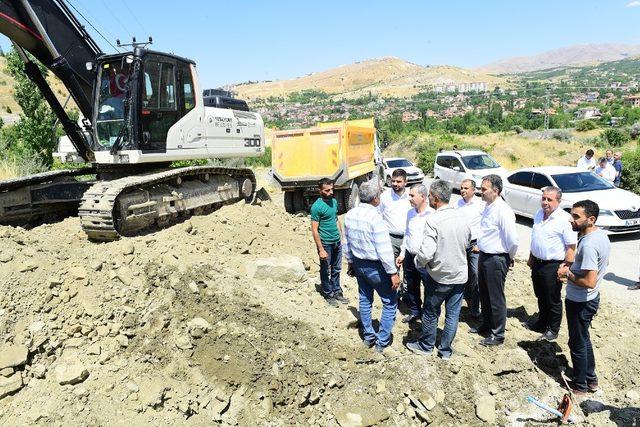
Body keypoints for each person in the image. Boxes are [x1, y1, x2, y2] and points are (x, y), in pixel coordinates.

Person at [405, 180, 471, 359]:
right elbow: (467, 242)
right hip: (459, 275)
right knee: (452, 315)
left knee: (430, 312)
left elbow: (426, 252)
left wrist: (419, 262)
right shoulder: (462, 217)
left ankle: (426, 345)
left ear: (434, 198)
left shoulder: (433, 220)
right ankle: (445, 350)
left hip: (440, 276)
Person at [557, 200, 610, 395]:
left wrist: (567, 274)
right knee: (584, 338)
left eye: (576, 217)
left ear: (591, 219)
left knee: (577, 342)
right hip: (589, 299)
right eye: (572, 215)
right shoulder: (600, 236)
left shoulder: (588, 245)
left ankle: (580, 385)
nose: (571, 220)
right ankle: (591, 378)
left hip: (581, 301)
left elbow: (589, 281)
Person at [343, 180, 401, 353]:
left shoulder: (350, 214)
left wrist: (351, 262)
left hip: (359, 264)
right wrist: (393, 273)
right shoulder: (376, 218)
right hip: (376, 266)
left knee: (365, 299)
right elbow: (383, 250)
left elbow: (346, 242)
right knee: (390, 302)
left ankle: (369, 336)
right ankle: (382, 342)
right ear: (375, 198)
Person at [471, 175, 519, 347]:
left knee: (495, 297)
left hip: (496, 258)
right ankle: (486, 324)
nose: (480, 192)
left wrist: (509, 258)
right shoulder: (487, 206)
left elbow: (512, 240)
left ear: (496, 191)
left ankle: (497, 334)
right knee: (483, 293)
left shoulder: (503, 210)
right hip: (484, 256)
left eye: (484, 189)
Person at [526, 186, 577, 341]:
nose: (545, 202)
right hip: (538, 263)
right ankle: (542, 322)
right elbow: (535, 238)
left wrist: (566, 265)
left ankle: (552, 329)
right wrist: (531, 257)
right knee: (540, 294)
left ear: (558, 201)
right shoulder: (538, 214)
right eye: (544, 198)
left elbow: (571, 246)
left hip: (553, 265)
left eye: (549, 199)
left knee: (552, 298)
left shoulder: (564, 219)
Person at [395, 184, 433, 323]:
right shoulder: (410, 213)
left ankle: (428, 315)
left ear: (422, 197)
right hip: (410, 256)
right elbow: (407, 234)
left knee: (428, 287)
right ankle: (415, 311)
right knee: (411, 285)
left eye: (412, 195)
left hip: (425, 258)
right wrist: (402, 253)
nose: (409, 198)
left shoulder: (432, 215)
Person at [310, 178, 348, 307]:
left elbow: (336, 219)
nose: (331, 192)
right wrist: (321, 249)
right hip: (325, 243)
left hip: (336, 242)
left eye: (332, 189)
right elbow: (314, 230)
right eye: (327, 190)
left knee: (337, 268)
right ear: (320, 190)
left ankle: (337, 291)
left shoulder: (334, 201)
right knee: (326, 270)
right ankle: (327, 293)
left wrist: (342, 237)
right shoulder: (316, 207)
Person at [456, 179, 485, 319]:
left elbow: (486, 225)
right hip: (460, 244)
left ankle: (475, 308)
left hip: (475, 244)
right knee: (463, 274)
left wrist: (481, 243)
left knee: (475, 274)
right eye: (461, 188)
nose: (463, 190)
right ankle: (466, 302)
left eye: (466, 188)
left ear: (473, 190)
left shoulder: (480, 205)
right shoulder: (457, 204)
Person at [379, 169, 411, 260]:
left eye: (399, 181)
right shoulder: (385, 196)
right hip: (390, 240)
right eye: (393, 181)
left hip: (409, 239)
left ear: (405, 182)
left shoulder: (411, 195)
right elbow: (378, 216)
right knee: (392, 271)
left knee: (409, 271)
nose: (395, 184)